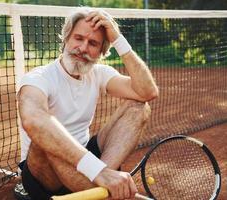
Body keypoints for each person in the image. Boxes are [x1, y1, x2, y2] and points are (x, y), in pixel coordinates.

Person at [14, 7, 158, 200]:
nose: (83, 48)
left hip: (87, 159)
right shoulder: (38, 78)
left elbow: (147, 92)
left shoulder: (98, 74)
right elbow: (33, 120)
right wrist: (97, 170)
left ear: (101, 51)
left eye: (93, 43)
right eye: (78, 38)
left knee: (138, 107)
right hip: (45, 174)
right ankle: (102, 184)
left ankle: (100, 185)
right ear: (66, 39)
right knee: (44, 141)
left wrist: (118, 39)